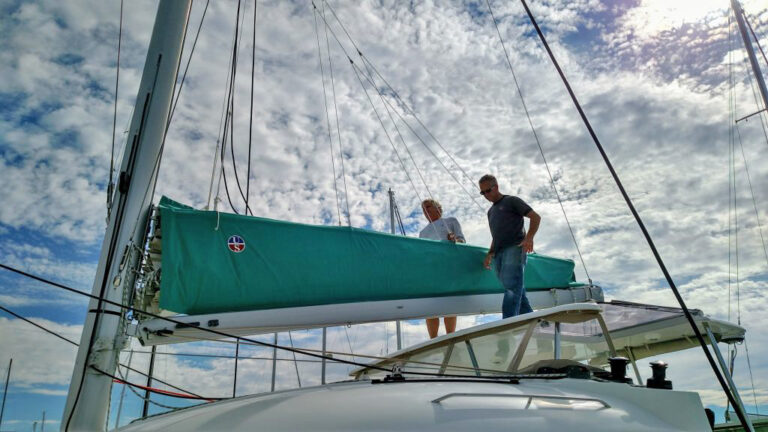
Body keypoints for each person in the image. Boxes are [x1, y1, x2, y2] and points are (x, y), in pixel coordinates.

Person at [479, 174, 541, 319]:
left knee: (512, 286)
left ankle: (508, 322)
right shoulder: (490, 212)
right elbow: (496, 235)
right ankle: (534, 321)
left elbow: (535, 217)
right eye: (483, 193)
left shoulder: (511, 201)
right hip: (498, 253)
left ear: (496, 187)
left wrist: (529, 238)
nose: (486, 195)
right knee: (516, 287)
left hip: (515, 247)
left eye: (488, 190)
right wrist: (489, 254)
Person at [419, 198, 465, 339]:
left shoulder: (451, 221)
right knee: (431, 306)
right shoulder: (422, 233)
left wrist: (454, 240)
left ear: (438, 208)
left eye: (428, 206)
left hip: (448, 268)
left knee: (449, 303)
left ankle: (450, 337)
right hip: (431, 271)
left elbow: (462, 241)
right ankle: (433, 340)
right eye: (423, 209)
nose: (426, 210)